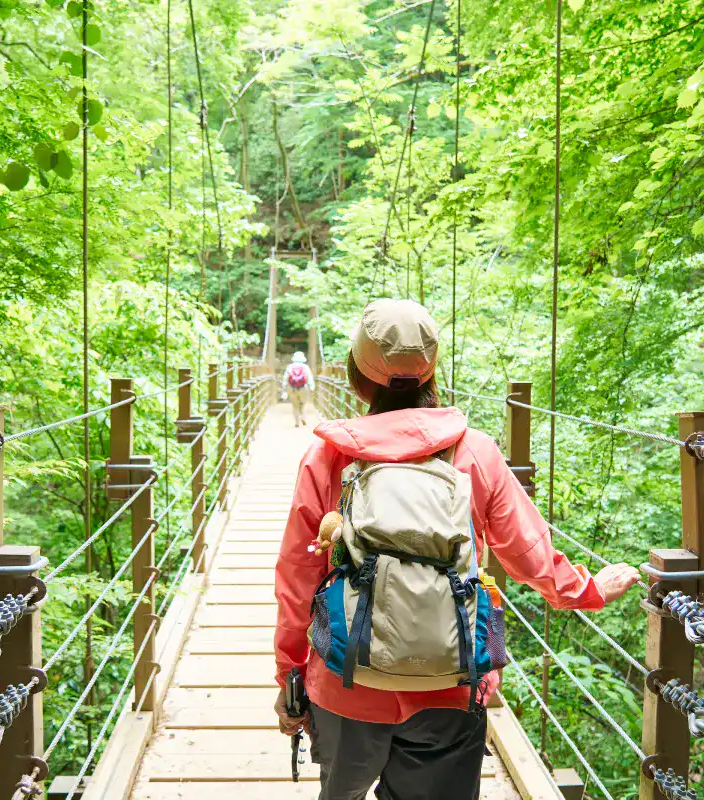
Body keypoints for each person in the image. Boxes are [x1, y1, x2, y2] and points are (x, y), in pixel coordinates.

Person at [272, 299, 641, 800]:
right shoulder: (474, 451)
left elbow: (298, 575)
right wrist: (587, 590)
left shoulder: (329, 455)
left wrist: (291, 677)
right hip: (452, 681)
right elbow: (528, 552)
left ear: (357, 373)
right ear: (431, 372)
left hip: (345, 678)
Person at [284, 351, 314, 427]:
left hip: (292, 388)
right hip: (303, 388)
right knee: (303, 404)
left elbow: (285, 379)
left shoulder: (290, 367)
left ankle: (297, 422)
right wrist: (311, 387)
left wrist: (284, 390)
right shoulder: (305, 367)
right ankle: (303, 417)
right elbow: (309, 378)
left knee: (295, 405)